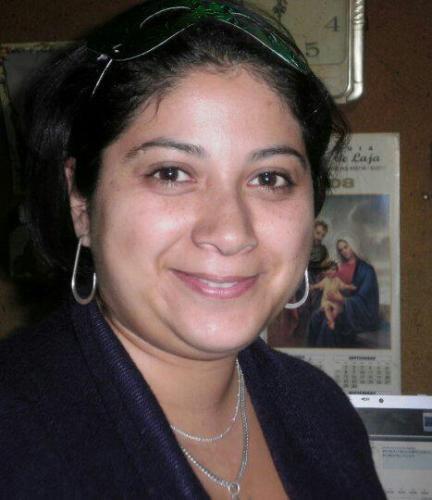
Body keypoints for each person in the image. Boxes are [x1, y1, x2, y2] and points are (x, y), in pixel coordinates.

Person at [0, 1, 385, 498]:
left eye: (270, 178)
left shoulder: (323, 414)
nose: (231, 232)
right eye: (171, 173)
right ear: (81, 201)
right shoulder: (15, 435)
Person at [309, 238, 380, 348]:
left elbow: (364, 298)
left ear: (353, 246)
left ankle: (326, 354)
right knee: (315, 317)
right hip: (336, 304)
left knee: (327, 325)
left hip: (355, 311)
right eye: (340, 250)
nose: (344, 251)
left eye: (346, 247)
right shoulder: (340, 267)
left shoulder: (366, 270)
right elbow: (331, 283)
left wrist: (342, 300)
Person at [310, 261, 356, 330]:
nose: (330, 271)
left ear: (336, 271)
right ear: (325, 271)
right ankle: (331, 321)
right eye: (328, 269)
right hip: (326, 301)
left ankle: (332, 320)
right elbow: (318, 285)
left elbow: (343, 286)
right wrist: (313, 287)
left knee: (337, 309)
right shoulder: (325, 280)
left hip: (335, 301)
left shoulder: (337, 280)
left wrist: (349, 287)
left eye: (333, 269)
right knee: (327, 308)